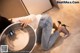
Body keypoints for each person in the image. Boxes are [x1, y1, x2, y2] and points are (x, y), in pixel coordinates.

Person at [0, 14, 70, 50]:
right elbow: (4, 44)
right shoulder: (6, 32)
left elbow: (33, 15)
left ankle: (60, 29)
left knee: (45, 47)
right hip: (40, 25)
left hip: (44, 20)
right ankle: (53, 25)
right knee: (38, 42)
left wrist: (28, 20)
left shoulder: (15, 22)